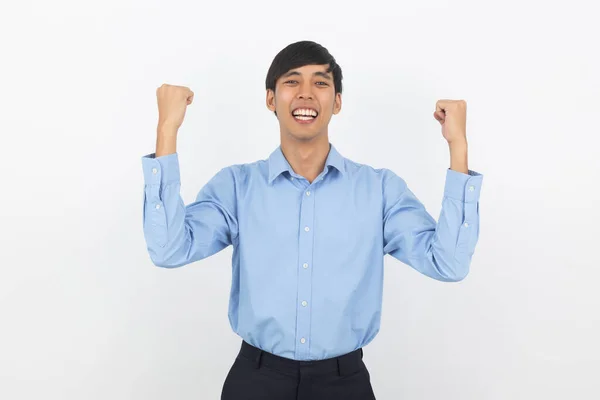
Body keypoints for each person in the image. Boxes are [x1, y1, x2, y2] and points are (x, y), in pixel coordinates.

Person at [140, 40, 483, 400]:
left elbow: (448, 263)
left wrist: (457, 145)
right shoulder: (238, 187)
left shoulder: (378, 190)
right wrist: (167, 130)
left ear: (336, 102)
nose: (306, 94)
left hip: (343, 383)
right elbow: (168, 249)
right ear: (271, 99)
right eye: (292, 82)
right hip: (256, 382)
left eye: (320, 83)